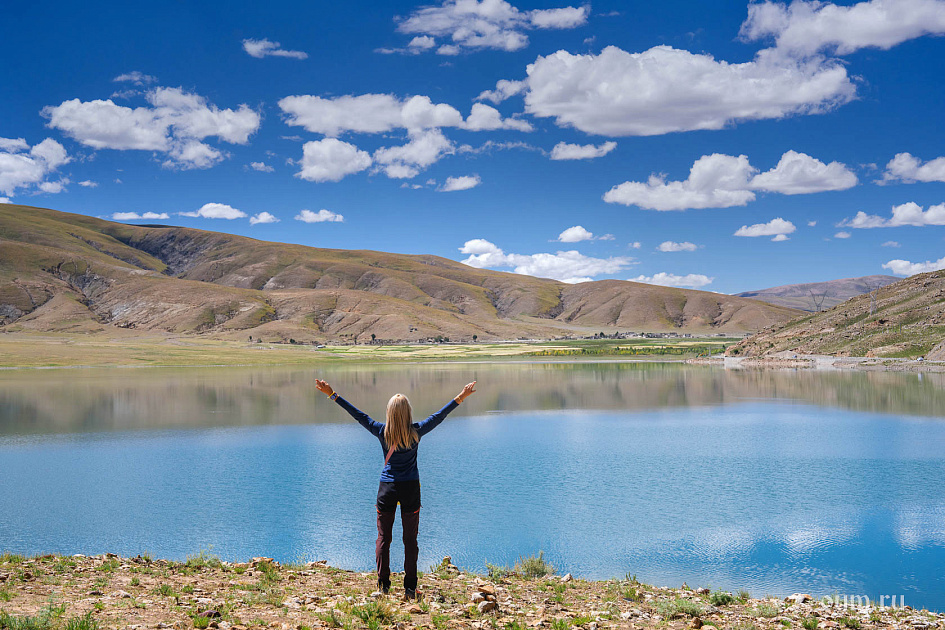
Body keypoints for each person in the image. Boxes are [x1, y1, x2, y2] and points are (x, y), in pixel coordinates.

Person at [314, 378, 477, 599]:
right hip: (410, 488)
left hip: (387, 488)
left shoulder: (381, 431)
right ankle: (410, 588)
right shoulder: (417, 431)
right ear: (408, 412)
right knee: (410, 540)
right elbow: (439, 416)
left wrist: (332, 393)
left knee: (383, 538)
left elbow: (358, 415)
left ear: (389, 412)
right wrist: (462, 395)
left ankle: (383, 586)